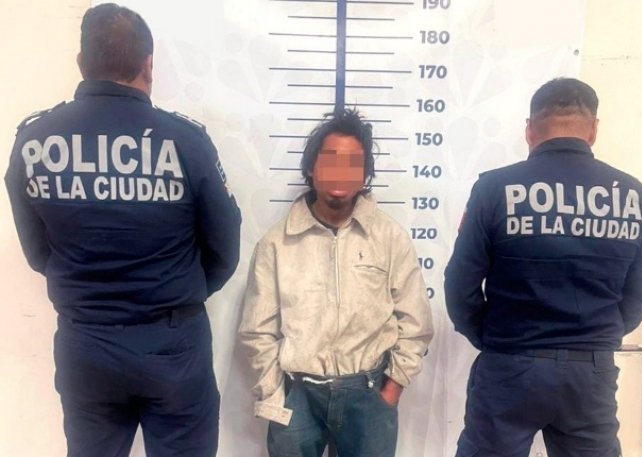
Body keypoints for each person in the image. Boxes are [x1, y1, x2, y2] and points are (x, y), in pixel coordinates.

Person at [4, 4, 241, 456]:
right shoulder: (185, 141)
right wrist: (175, 294)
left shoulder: (34, 141)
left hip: (85, 345)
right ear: (148, 65)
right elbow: (224, 249)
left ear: (81, 63)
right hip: (172, 344)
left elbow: (37, 252)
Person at [444, 77, 642, 457]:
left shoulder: (495, 190)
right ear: (593, 130)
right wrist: (594, 338)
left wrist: (495, 339)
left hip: (509, 366)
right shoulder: (635, 197)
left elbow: (459, 286)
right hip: (589, 375)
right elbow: (638, 297)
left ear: (529, 130)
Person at [239, 109, 433, 457]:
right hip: (297, 397)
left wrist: (393, 387)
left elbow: (416, 322)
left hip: (370, 396)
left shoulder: (390, 238)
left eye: (352, 163)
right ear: (311, 168)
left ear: (365, 174)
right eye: (331, 160)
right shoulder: (276, 243)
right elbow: (257, 330)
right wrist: (274, 394)